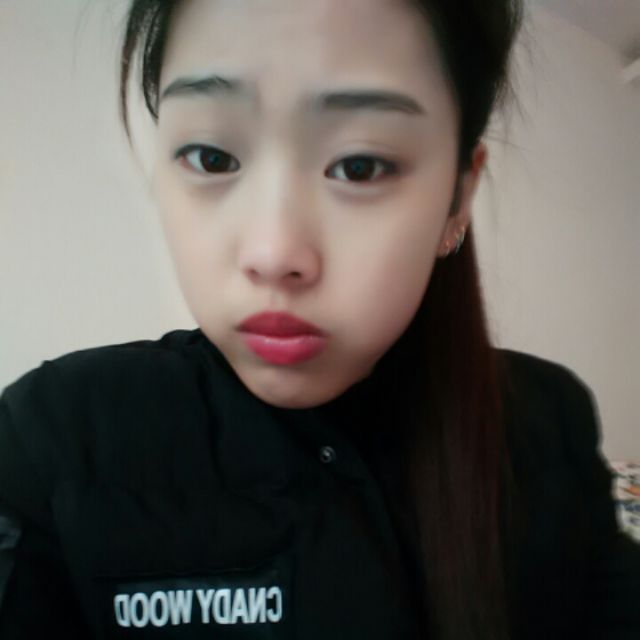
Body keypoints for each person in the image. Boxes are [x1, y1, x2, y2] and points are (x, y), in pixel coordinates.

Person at [1, 1, 639, 639]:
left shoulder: (546, 424)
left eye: (360, 165)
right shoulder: (53, 439)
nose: (273, 254)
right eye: (212, 157)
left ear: (458, 199)